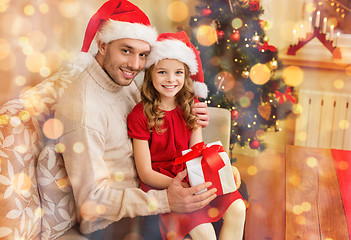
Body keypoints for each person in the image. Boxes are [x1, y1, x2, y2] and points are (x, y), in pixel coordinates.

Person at [54, 0, 216, 238]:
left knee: (230, 194)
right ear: (101, 45)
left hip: (149, 189)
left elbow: (158, 115)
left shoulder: (122, 81)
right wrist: (166, 200)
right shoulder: (84, 111)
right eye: (126, 50)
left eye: (143, 55)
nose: (136, 65)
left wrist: (193, 117)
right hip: (115, 222)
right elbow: (92, 201)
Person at [127, 31, 246, 240]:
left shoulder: (191, 108)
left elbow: (197, 152)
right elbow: (145, 173)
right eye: (162, 72)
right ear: (151, 74)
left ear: (186, 74)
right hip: (163, 183)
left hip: (192, 174)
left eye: (178, 73)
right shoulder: (139, 115)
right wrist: (180, 187)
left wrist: (223, 169)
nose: (171, 79)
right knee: (205, 233)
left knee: (238, 208)